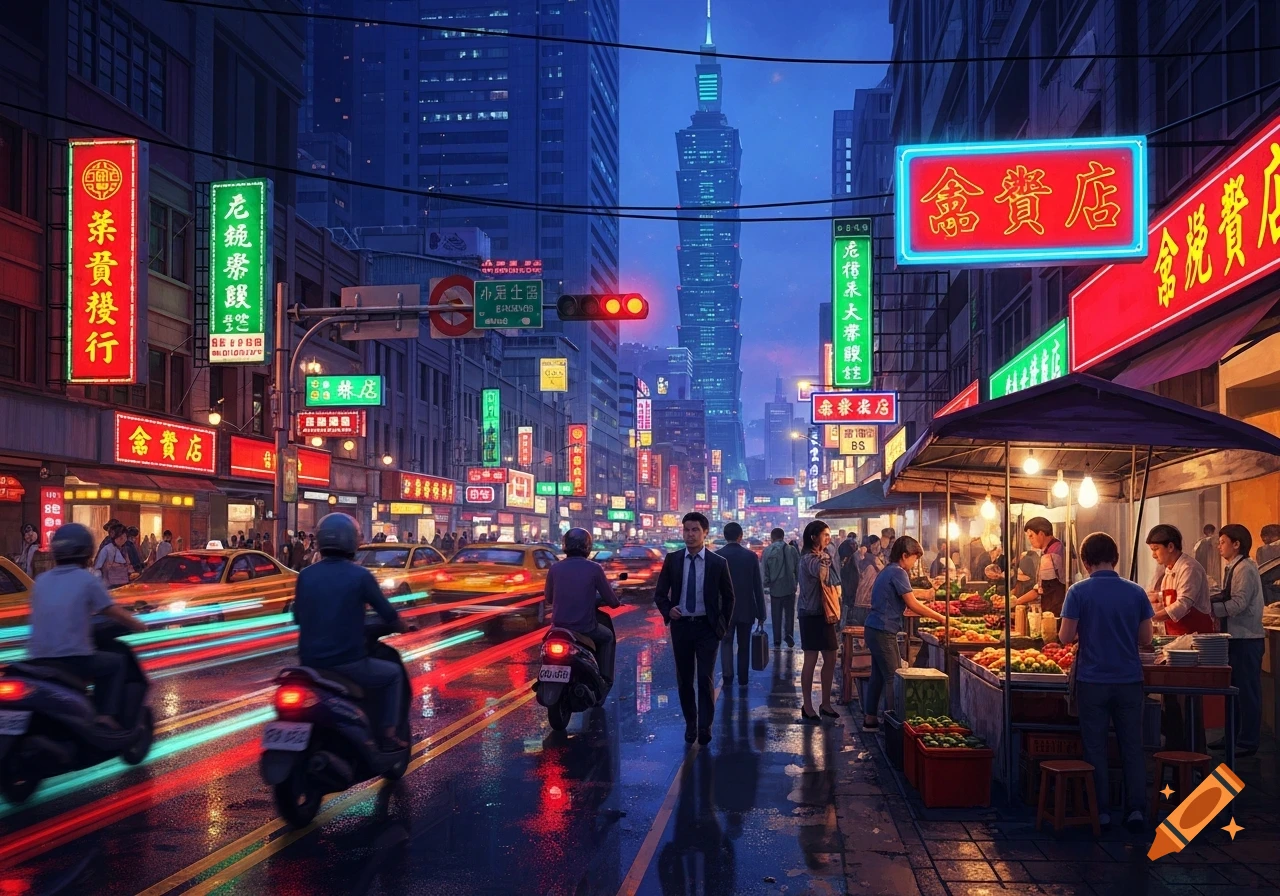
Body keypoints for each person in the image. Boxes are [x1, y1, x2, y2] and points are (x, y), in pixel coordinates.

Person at [1059, 531, 1153, 833]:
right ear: (1115, 558)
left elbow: (1065, 637)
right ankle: (1136, 810)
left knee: (1095, 746)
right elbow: (1146, 639)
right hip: (1129, 680)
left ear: (1085, 561)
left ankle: (1100, 811)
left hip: (1092, 680)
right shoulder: (1136, 592)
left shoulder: (1078, 591)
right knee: (1132, 746)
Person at [292, 513, 407, 751]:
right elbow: (388, 614)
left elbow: (297, 617)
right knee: (393, 673)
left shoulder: (305, 575)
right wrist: (401, 625)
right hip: (347, 663)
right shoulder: (360, 576)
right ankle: (387, 733)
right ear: (351, 541)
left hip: (309, 664)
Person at [26, 523, 146, 726]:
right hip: (73, 660)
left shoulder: (42, 581)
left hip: (38, 661)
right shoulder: (86, 579)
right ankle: (106, 716)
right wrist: (139, 624)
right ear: (86, 551)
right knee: (116, 662)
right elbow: (112, 611)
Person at [654, 512, 735, 746]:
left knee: (705, 678)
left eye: (695, 530)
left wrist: (721, 627)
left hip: (706, 628)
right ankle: (691, 723)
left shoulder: (717, 563)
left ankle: (705, 726)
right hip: (681, 628)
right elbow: (660, 594)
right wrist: (669, 610)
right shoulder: (673, 560)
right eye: (687, 530)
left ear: (705, 532)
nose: (690, 535)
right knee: (685, 679)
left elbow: (729, 598)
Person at [862, 536, 945, 730]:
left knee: (878, 675)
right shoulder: (898, 572)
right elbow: (912, 602)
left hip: (873, 628)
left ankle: (870, 718)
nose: (914, 563)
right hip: (883, 630)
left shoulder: (889, 570)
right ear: (905, 555)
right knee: (893, 676)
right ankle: (894, 725)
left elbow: (906, 597)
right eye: (914, 558)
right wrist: (940, 618)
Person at [1209, 524, 1264, 757]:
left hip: (1247, 638)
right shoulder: (1233, 567)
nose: (1219, 546)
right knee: (1234, 689)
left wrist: (1211, 610)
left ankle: (1248, 739)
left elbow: (1239, 604)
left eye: (1222, 541)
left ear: (1236, 543)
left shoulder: (1245, 569)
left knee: (1247, 691)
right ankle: (1232, 734)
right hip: (1235, 637)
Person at [545, 528, 620, 686]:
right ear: (587, 546)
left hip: (558, 628)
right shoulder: (594, 568)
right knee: (607, 638)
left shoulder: (554, 568)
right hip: (585, 628)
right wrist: (616, 600)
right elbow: (612, 601)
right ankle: (605, 680)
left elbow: (549, 599)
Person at [796, 521, 843, 722]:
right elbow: (821, 575)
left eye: (829, 534)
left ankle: (825, 703)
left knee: (831, 657)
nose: (828, 538)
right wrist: (826, 558)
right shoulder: (809, 559)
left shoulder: (820, 556)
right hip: (811, 614)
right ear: (814, 537)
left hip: (825, 614)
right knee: (811, 659)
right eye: (825, 535)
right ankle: (807, 705)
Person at [717, 523, 765, 689]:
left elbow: (712, 589)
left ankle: (727, 676)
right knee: (744, 645)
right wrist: (762, 613)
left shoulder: (717, 556)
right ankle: (743, 679)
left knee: (726, 642)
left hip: (724, 610)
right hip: (746, 608)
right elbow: (757, 586)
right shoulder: (750, 556)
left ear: (725, 536)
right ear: (741, 536)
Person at [1146, 524, 1215, 634]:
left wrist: (1149, 618)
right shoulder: (1168, 570)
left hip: (1196, 637)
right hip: (1176, 636)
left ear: (1170, 547)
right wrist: (1156, 597)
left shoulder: (1189, 568)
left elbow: (1182, 604)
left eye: (1156, 549)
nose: (1153, 555)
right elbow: (1170, 598)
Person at [762, 527, 798, 648]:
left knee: (776, 615)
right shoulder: (791, 550)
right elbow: (798, 569)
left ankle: (777, 639)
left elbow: (765, 570)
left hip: (775, 589)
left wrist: (766, 584)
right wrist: (795, 583)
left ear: (772, 538)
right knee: (789, 614)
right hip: (789, 588)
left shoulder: (768, 550)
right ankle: (789, 635)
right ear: (783, 537)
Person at [1024, 517, 1067, 615]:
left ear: (1041, 534)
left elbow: (1041, 590)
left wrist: (1015, 602)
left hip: (1054, 611)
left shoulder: (1051, 556)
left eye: (1031, 536)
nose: (1030, 540)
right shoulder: (1056, 546)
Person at [853, 534, 885, 622]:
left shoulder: (861, 557)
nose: (878, 548)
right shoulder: (874, 559)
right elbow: (885, 572)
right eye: (876, 545)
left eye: (879, 545)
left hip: (859, 599)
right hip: (868, 601)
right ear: (870, 546)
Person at [838, 531, 861, 626]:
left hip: (847, 589)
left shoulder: (849, 558)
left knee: (846, 607)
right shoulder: (853, 558)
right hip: (850, 589)